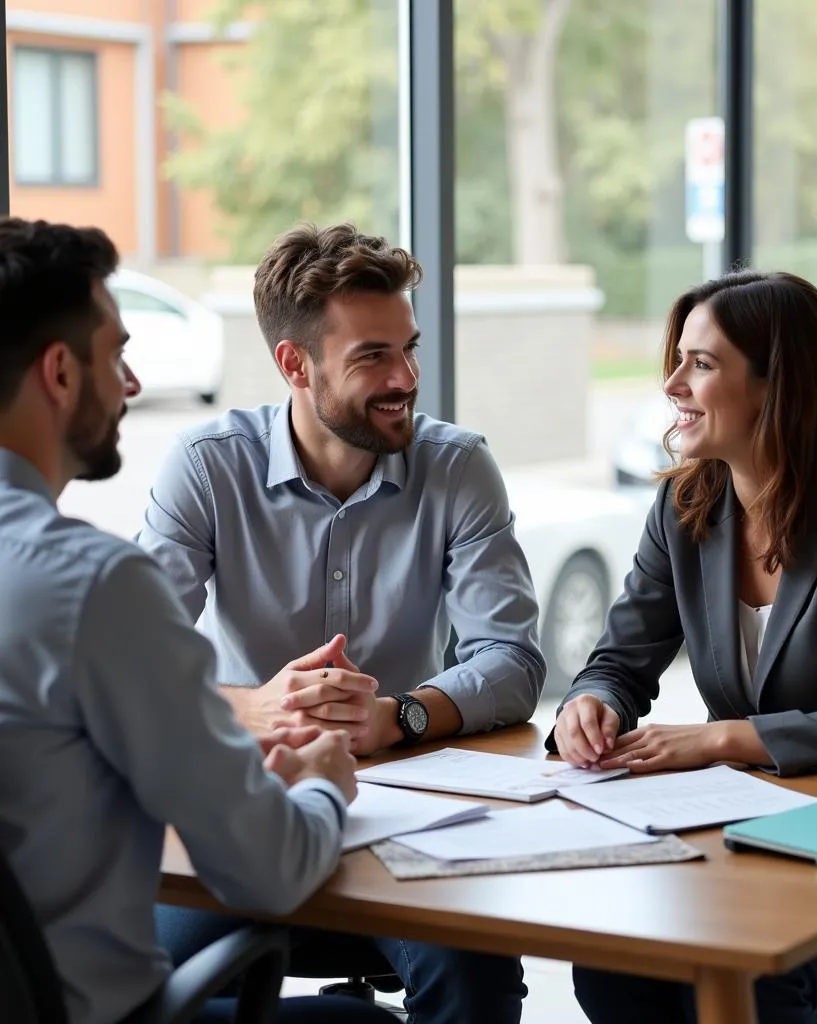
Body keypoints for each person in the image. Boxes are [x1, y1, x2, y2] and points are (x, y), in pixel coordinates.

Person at [136, 222, 542, 1023]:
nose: (407, 378)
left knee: (476, 980)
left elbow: (511, 661)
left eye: (409, 349)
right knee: (150, 983)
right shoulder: (207, 466)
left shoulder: (458, 467)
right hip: (244, 807)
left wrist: (399, 715)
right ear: (294, 364)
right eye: (372, 358)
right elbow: (132, 668)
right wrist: (258, 707)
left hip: (412, 817)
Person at [0, 217, 396, 1024]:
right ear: (60, 374)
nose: (132, 384)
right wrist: (322, 783)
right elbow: (269, 870)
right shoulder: (94, 586)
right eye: (115, 355)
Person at [549, 270, 817, 1024]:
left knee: (755, 983)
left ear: (776, 386)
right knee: (616, 967)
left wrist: (724, 738)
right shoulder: (684, 507)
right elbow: (618, 661)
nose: (672, 383)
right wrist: (590, 702)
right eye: (677, 360)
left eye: (700, 364)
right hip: (753, 845)